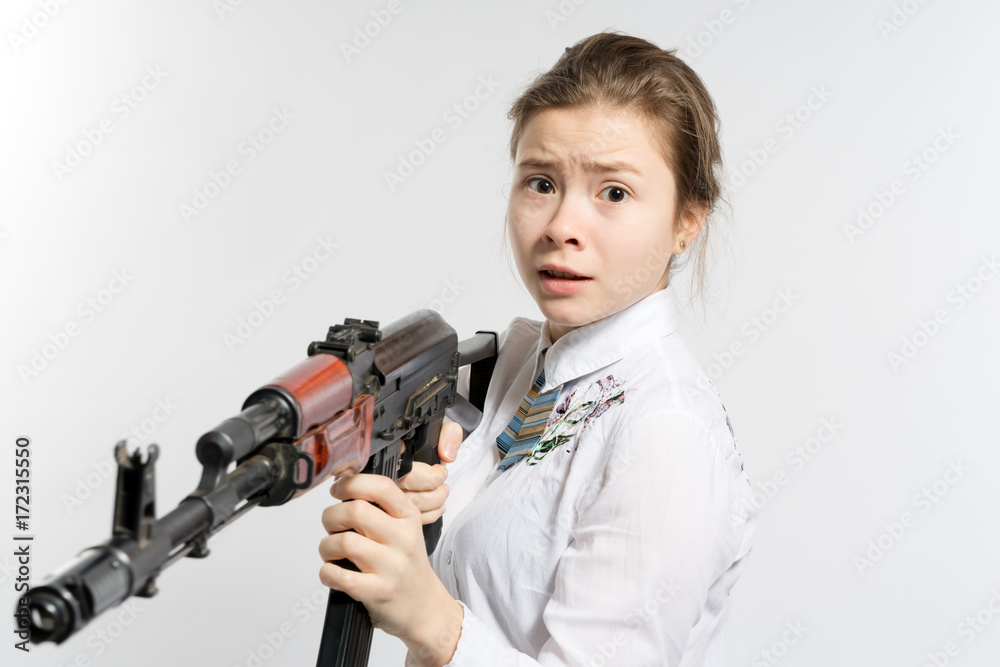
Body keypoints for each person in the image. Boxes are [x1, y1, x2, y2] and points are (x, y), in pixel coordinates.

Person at [318, 31, 758, 666]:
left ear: (687, 220)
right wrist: (416, 498)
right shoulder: (520, 364)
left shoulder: (666, 430)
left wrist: (432, 622)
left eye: (614, 192)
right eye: (541, 182)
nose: (561, 227)